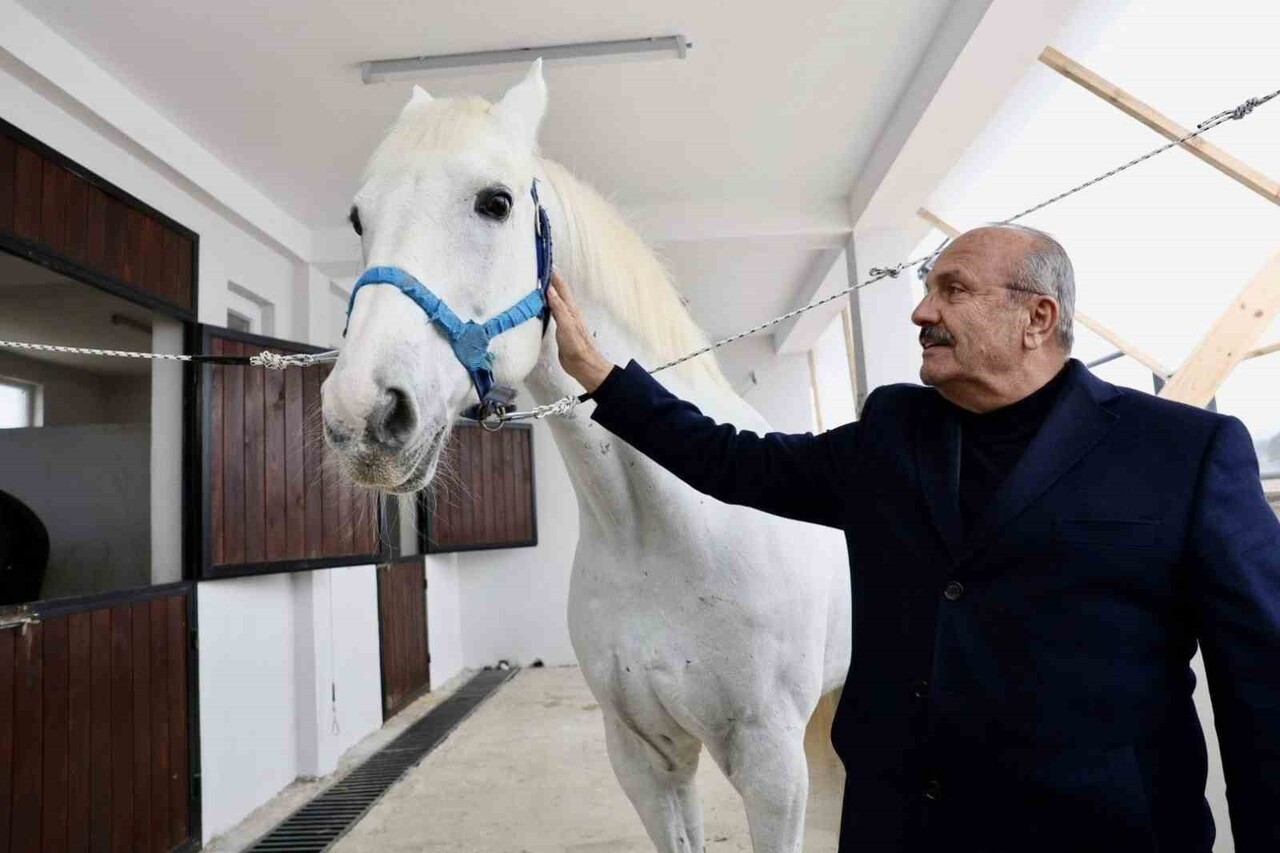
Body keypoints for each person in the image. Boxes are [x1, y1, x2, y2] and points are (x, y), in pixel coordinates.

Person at [545, 224, 1280, 853]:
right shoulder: (892, 432)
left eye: (953, 290)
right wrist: (600, 375)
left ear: (1037, 316)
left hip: (1100, 831)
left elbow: (1262, 689)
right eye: (928, 288)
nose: (922, 311)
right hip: (902, 827)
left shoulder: (1184, 451)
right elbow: (732, 460)